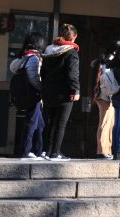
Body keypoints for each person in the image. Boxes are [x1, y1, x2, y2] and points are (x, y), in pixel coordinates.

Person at [40, 23, 81, 161]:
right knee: (61, 123)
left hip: (48, 92)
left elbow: (42, 72)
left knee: (50, 122)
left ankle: (47, 151)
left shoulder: (48, 50)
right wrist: (76, 90)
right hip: (64, 93)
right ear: (74, 37)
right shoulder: (71, 52)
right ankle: (55, 153)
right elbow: (72, 74)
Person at [10, 32, 46, 159]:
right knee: (32, 123)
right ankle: (27, 151)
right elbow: (33, 78)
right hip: (33, 95)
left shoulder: (23, 57)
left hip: (25, 95)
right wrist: (42, 91)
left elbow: (12, 68)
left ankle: (39, 150)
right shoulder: (34, 59)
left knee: (40, 124)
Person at [91, 40, 120, 160]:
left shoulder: (105, 59)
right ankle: (102, 150)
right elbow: (107, 80)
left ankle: (107, 150)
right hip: (105, 95)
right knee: (105, 122)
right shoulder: (108, 61)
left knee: (109, 123)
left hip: (104, 95)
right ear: (116, 50)